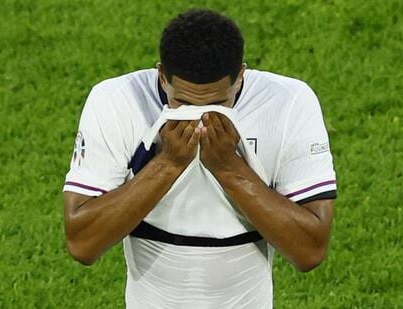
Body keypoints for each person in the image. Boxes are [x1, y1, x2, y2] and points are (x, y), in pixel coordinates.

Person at [63, 8, 337, 308]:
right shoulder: (116, 102)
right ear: (162, 77)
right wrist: (168, 164)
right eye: (183, 103)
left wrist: (230, 168)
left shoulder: (289, 103)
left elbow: (309, 251)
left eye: (219, 104)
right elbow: (82, 243)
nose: (200, 119)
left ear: (240, 77)